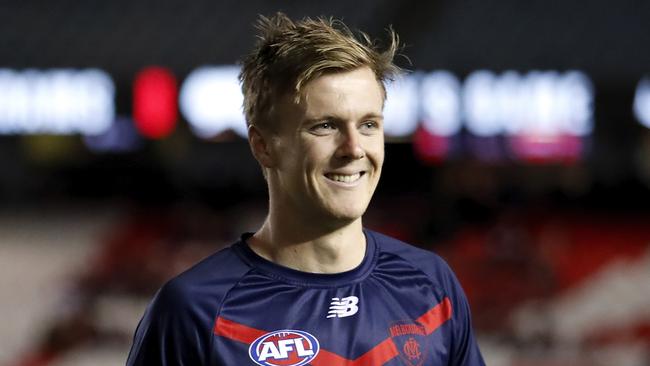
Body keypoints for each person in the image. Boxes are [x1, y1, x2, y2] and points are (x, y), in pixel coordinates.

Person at [127, 12, 485, 366]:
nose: (354, 148)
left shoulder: (431, 287)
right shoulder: (195, 311)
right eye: (325, 126)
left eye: (368, 125)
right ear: (263, 145)